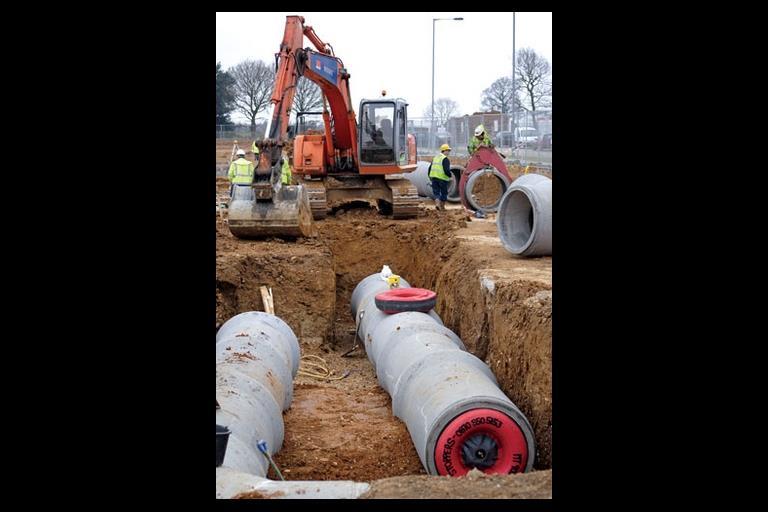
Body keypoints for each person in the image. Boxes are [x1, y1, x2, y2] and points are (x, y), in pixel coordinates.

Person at [429, 143, 453, 211]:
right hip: (442, 179)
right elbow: (446, 170)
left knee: (436, 192)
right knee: (444, 192)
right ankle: (442, 207)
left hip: (434, 178)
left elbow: (430, 168)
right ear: (443, 151)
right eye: (447, 150)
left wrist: (430, 176)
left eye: (449, 151)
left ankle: (437, 204)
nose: (448, 152)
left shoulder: (435, 157)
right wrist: (450, 176)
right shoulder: (445, 159)